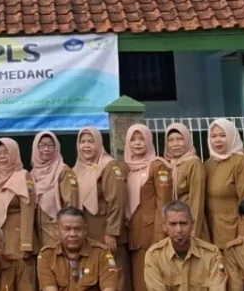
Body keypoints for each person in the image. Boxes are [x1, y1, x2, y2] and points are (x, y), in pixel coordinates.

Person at [123, 123, 172, 291]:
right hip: (131, 234)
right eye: (133, 139)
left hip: (151, 234)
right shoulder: (126, 168)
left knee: (150, 282)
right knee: (136, 281)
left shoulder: (158, 166)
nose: (137, 143)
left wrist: (160, 236)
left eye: (141, 139)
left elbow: (164, 204)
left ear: (149, 141)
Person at [143, 200, 226, 291]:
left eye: (183, 223)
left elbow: (218, 288)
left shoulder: (211, 254)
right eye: (173, 224)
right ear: (164, 226)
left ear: (192, 224)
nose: (179, 230)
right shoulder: (154, 255)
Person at [37, 206, 118, 291]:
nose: (73, 234)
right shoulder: (46, 255)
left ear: (85, 229)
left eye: (78, 229)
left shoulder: (102, 253)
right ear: (57, 230)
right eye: (67, 229)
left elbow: (109, 288)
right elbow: (49, 289)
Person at [73, 128, 125, 259]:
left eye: (91, 142)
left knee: (113, 273)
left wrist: (112, 232)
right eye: (82, 142)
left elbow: (117, 201)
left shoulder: (109, 166)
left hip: (105, 233)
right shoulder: (76, 169)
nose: (86, 146)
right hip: (86, 233)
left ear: (99, 143)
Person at [205, 118, 244, 249]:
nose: (217, 140)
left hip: (233, 232)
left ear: (232, 136)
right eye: (213, 136)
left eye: (223, 135)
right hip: (212, 230)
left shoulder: (240, 162)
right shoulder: (208, 163)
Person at [0, 137, 37, 273]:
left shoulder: (23, 176)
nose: (2, 156)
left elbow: (28, 211)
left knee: (21, 277)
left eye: (6, 152)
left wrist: (26, 243)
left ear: (14, 153)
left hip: (17, 238)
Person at [32, 131, 80, 250]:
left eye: (50, 145)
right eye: (42, 145)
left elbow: (71, 203)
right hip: (38, 231)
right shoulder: (33, 174)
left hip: (57, 230)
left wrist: (66, 228)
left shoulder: (63, 171)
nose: (46, 149)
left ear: (56, 148)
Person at [164, 123, 208, 239]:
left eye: (180, 139)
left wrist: (192, 234)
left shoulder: (193, 164)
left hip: (189, 226)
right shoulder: (167, 165)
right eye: (171, 140)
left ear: (188, 141)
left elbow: (197, 201)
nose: (175, 144)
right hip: (174, 225)